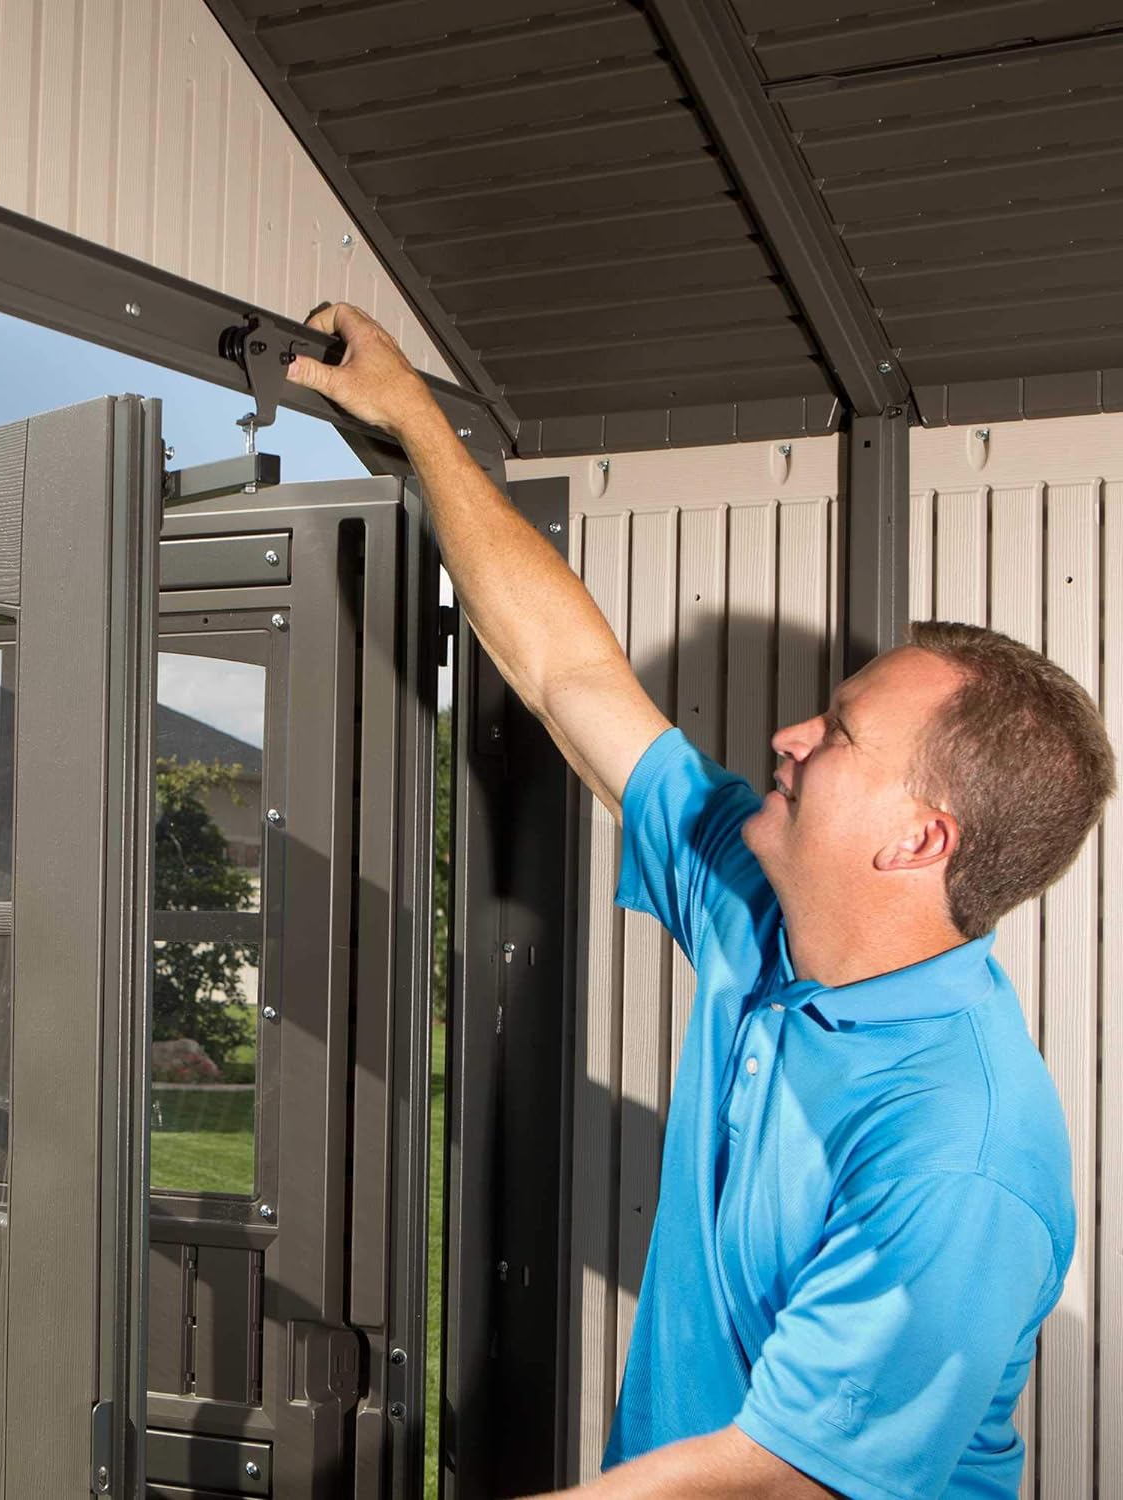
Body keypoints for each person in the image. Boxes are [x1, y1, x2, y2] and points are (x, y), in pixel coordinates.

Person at [286, 305, 1116, 1500]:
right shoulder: (758, 899)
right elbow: (571, 676)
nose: (785, 738)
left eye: (836, 735)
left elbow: (775, 1474)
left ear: (918, 838)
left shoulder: (959, 1154)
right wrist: (415, 416)